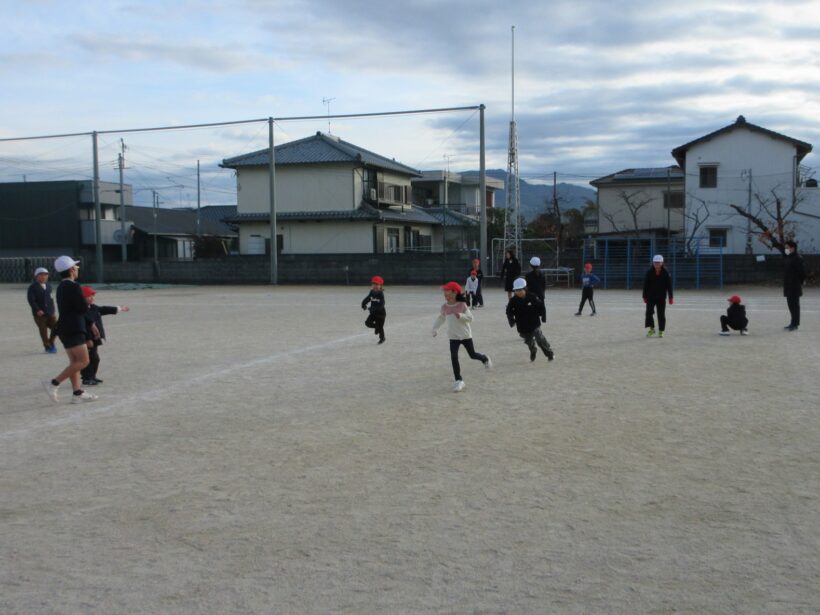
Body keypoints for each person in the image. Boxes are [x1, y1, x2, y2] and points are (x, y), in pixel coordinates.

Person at [41, 256, 97, 404]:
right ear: (72, 269)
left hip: (65, 327)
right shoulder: (73, 286)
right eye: (76, 267)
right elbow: (82, 308)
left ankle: (77, 393)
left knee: (74, 362)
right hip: (74, 327)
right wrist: (87, 305)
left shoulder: (61, 287)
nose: (77, 269)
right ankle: (53, 383)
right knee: (84, 361)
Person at [432, 281, 492, 392]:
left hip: (465, 335)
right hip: (453, 337)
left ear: (455, 292)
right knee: (454, 357)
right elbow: (441, 318)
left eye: (447, 291)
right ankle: (459, 380)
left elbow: (470, 318)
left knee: (472, 355)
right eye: (444, 292)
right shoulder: (444, 307)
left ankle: (484, 358)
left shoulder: (462, 305)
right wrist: (435, 329)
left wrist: (461, 315)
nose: (445, 293)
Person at [80, 286, 130, 385]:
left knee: (95, 358)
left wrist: (119, 308)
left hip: (95, 338)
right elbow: (83, 326)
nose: (92, 298)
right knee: (88, 359)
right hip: (87, 339)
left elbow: (104, 309)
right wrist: (87, 339)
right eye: (89, 296)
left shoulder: (93, 307)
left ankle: (92, 376)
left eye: (92, 295)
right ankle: (87, 378)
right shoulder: (81, 310)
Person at [506, 277, 554, 362]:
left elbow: (541, 306)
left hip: (534, 323)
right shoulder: (513, 301)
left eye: (520, 290)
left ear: (525, 289)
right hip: (522, 326)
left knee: (539, 338)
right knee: (529, 341)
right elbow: (508, 311)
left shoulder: (532, 297)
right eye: (516, 290)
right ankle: (533, 350)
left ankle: (549, 353)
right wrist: (512, 321)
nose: (518, 292)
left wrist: (543, 316)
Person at [27, 266, 58, 353]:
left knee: (56, 327)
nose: (44, 276)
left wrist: (52, 309)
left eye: (46, 275)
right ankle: (47, 346)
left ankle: (51, 342)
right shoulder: (32, 287)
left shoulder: (48, 286)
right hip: (39, 314)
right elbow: (31, 300)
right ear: (36, 276)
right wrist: (37, 310)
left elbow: (50, 299)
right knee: (43, 331)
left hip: (50, 312)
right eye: (41, 275)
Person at [642, 254, 674, 338]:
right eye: (655, 263)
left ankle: (661, 331)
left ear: (662, 263)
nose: (656, 264)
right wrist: (644, 296)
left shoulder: (666, 273)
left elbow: (669, 286)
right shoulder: (649, 272)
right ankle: (652, 329)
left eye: (658, 263)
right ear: (653, 263)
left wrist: (671, 297)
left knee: (661, 314)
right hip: (650, 296)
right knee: (648, 313)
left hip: (661, 297)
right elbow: (646, 285)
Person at [783, 240, 806, 331]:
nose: (786, 249)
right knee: (790, 305)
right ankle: (792, 322)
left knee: (795, 306)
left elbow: (802, 272)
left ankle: (795, 324)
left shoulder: (798, 258)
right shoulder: (788, 257)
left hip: (794, 285)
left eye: (787, 247)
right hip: (788, 285)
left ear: (792, 248)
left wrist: (801, 281)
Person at [361, 275, 386, 344]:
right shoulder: (372, 292)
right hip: (373, 313)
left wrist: (372, 308)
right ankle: (377, 327)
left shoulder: (380, 294)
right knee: (367, 323)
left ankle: (382, 338)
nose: (375, 286)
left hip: (381, 314)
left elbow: (382, 305)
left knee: (380, 327)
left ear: (380, 286)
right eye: (374, 284)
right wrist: (363, 304)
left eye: (377, 284)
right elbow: (368, 298)